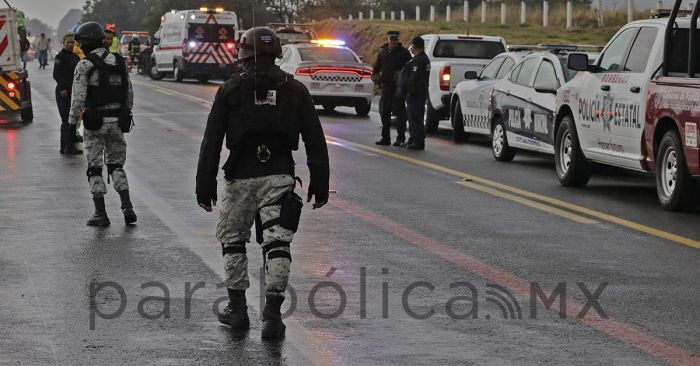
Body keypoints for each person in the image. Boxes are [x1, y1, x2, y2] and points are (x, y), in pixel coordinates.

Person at [196, 27, 329, 339]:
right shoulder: (295, 89)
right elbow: (314, 140)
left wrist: (204, 187)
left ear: (243, 53)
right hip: (280, 176)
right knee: (278, 244)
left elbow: (212, 142)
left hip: (239, 178)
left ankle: (237, 311)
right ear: (277, 52)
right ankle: (272, 316)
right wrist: (319, 184)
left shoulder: (229, 89)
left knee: (233, 242)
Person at [69, 21, 136, 227]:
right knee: (116, 165)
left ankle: (100, 213)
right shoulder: (118, 61)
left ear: (87, 41)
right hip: (116, 121)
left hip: (95, 124)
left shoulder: (85, 65)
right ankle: (127, 207)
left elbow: (78, 99)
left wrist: (71, 126)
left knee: (95, 168)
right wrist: (125, 112)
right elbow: (129, 93)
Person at [372, 31, 411, 147]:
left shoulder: (404, 53)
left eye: (395, 39)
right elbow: (376, 69)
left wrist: (402, 77)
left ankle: (400, 138)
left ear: (398, 40)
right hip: (386, 87)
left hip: (399, 88)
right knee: (385, 113)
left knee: (400, 114)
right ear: (388, 39)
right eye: (391, 39)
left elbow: (409, 69)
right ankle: (385, 137)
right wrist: (376, 77)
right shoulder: (383, 53)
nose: (393, 41)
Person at [53, 33, 82, 155]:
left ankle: (69, 144)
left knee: (73, 119)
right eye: (68, 42)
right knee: (66, 119)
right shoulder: (60, 57)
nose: (70, 44)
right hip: (63, 92)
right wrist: (62, 88)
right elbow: (56, 75)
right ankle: (66, 146)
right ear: (63, 43)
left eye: (72, 42)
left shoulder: (76, 57)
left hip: (74, 91)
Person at [403, 36, 430, 150]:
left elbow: (415, 78)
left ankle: (417, 141)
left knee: (415, 117)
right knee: (416, 117)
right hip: (420, 93)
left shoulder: (419, 60)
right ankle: (414, 138)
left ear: (414, 46)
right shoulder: (423, 59)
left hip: (416, 94)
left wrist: (408, 90)